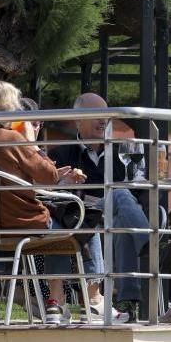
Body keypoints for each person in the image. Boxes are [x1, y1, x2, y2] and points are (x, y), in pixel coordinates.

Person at [0, 79, 88, 323]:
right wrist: (31, 142)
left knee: (63, 225)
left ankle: (43, 298)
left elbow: (6, 177)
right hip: (23, 225)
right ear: (9, 108)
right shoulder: (13, 140)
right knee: (73, 229)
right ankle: (62, 302)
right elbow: (48, 177)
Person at [48, 93, 148, 322]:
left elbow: (139, 187)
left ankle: (119, 300)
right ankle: (147, 243)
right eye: (96, 115)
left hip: (118, 211)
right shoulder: (61, 154)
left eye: (106, 115)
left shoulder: (120, 152)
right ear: (78, 121)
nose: (103, 121)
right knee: (121, 207)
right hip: (83, 213)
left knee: (122, 203)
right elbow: (54, 196)